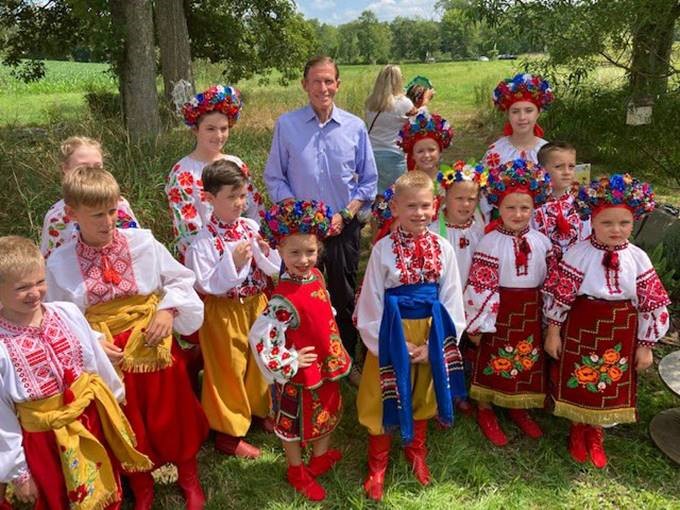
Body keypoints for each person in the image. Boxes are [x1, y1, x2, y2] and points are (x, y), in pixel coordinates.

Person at [45, 166, 208, 510]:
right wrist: (90, 340)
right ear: (72, 215)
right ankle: (142, 484)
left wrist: (167, 311)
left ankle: (188, 476)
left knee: (173, 410)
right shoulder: (60, 263)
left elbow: (179, 279)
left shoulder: (142, 243)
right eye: (96, 216)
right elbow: (57, 315)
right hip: (109, 357)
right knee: (126, 419)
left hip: (154, 343)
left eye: (112, 212)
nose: (107, 222)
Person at [0, 236, 151, 510]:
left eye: (39, 282)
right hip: (44, 439)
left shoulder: (66, 312)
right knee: (58, 492)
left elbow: (93, 359)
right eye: (22, 287)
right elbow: (2, 418)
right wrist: (18, 471)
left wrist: (114, 398)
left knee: (103, 477)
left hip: (89, 415)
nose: (34, 292)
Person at [543, 173, 671, 469]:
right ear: (593, 222)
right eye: (607, 223)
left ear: (634, 222)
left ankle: (597, 433)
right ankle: (577, 428)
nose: (616, 230)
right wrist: (553, 332)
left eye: (624, 223)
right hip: (582, 328)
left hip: (620, 332)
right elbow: (559, 298)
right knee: (580, 377)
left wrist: (646, 344)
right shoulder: (578, 254)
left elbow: (651, 305)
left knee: (608, 382)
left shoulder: (638, 258)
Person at [355, 171, 467, 501]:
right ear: (395, 208)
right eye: (410, 206)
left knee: (422, 393)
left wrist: (435, 343)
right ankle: (378, 464)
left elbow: (451, 299)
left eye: (425, 206)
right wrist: (392, 344)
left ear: (435, 206)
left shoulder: (443, 248)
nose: (419, 213)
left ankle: (416, 451)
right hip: (392, 333)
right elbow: (371, 300)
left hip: (429, 332)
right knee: (384, 394)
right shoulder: (382, 250)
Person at [264, 55, 378, 375]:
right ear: (305, 85)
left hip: (342, 226)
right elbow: (275, 177)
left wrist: (347, 213)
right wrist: (298, 214)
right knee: (300, 296)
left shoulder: (354, 127)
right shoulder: (287, 126)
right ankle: (299, 360)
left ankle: (345, 358)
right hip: (301, 235)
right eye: (316, 81)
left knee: (341, 295)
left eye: (329, 81)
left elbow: (368, 181)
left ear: (338, 85)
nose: (323, 87)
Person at [249, 199, 352, 501]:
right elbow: (261, 337)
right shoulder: (282, 299)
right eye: (294, 253)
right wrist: (290, 359)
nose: (304, 259)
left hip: (325, 361)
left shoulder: (317, 277)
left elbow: (322, 310)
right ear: (280, 251)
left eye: (310, 251)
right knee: (291, 422)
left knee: (328, 408)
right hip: (298, 373)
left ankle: (319, 458)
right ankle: (296, 468)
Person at [184, 159, 281, 459]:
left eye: (242, 195)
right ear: (210, 199)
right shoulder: (201, 242)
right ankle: (228, 431)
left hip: (255, 304)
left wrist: (264, 254)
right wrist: (234, 263)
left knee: (259, 357)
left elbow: (271, 267)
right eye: (231, 197)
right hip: (224, 312)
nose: (240, 203)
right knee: (229, 366)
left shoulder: (250, 227)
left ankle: (258, 408)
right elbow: (208, 284)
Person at [464, 160, 553, 447]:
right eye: (510, 207)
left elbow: (549, 282)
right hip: (498, 312)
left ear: (534, 208)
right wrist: (477, 324)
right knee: (492, 357)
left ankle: (519, 404)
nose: (517, 214)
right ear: (498, 208)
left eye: (524, 208)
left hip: (529, 311)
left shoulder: (541, 242)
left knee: (526, 359)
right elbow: (480, 285)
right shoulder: (490, 243)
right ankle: (486, 408)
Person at [166, 85, 265, 263]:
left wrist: (253, 244)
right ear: (195, 129)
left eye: (224, 128)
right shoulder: (183, 172)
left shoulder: (236, 163)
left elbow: (254, 208)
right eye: (210, 129)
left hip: (244, 252)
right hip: (205, 259)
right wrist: (219, 258)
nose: (218, 135)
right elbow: (187, 228)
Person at [39, 136, 138, 259]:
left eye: (97, 167)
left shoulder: (120, 204)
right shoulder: (56, 217)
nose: (91, 172)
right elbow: (50, 262)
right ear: (65, 169)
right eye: (83, 167)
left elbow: (137, 246)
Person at [372, 112, 454, 242]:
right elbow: (391, 224)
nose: (426, 155)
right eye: (420, 151)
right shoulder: (405, 185)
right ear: (412, 155)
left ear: (439, 151)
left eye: (431, 150)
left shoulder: (450, 182)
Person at [532, 141, 591, 259]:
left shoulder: (582, 203)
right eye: (559, 166)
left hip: (576, 267)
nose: (566, 172)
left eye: (571, 166)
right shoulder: (535, 205)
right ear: (542, 170)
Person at [483, 73, 554, 168]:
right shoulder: (496, 151)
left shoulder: (549, 152)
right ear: (508, 114)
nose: (522, 117)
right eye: (515, 111)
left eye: (529, 111)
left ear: (538, 113)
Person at [365, 65, 416, 193]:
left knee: (376, 196)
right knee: (397, 196)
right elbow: (418, 121)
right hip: (393, 153)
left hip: (372, 152)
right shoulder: (404, 103)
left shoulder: (370, 102)